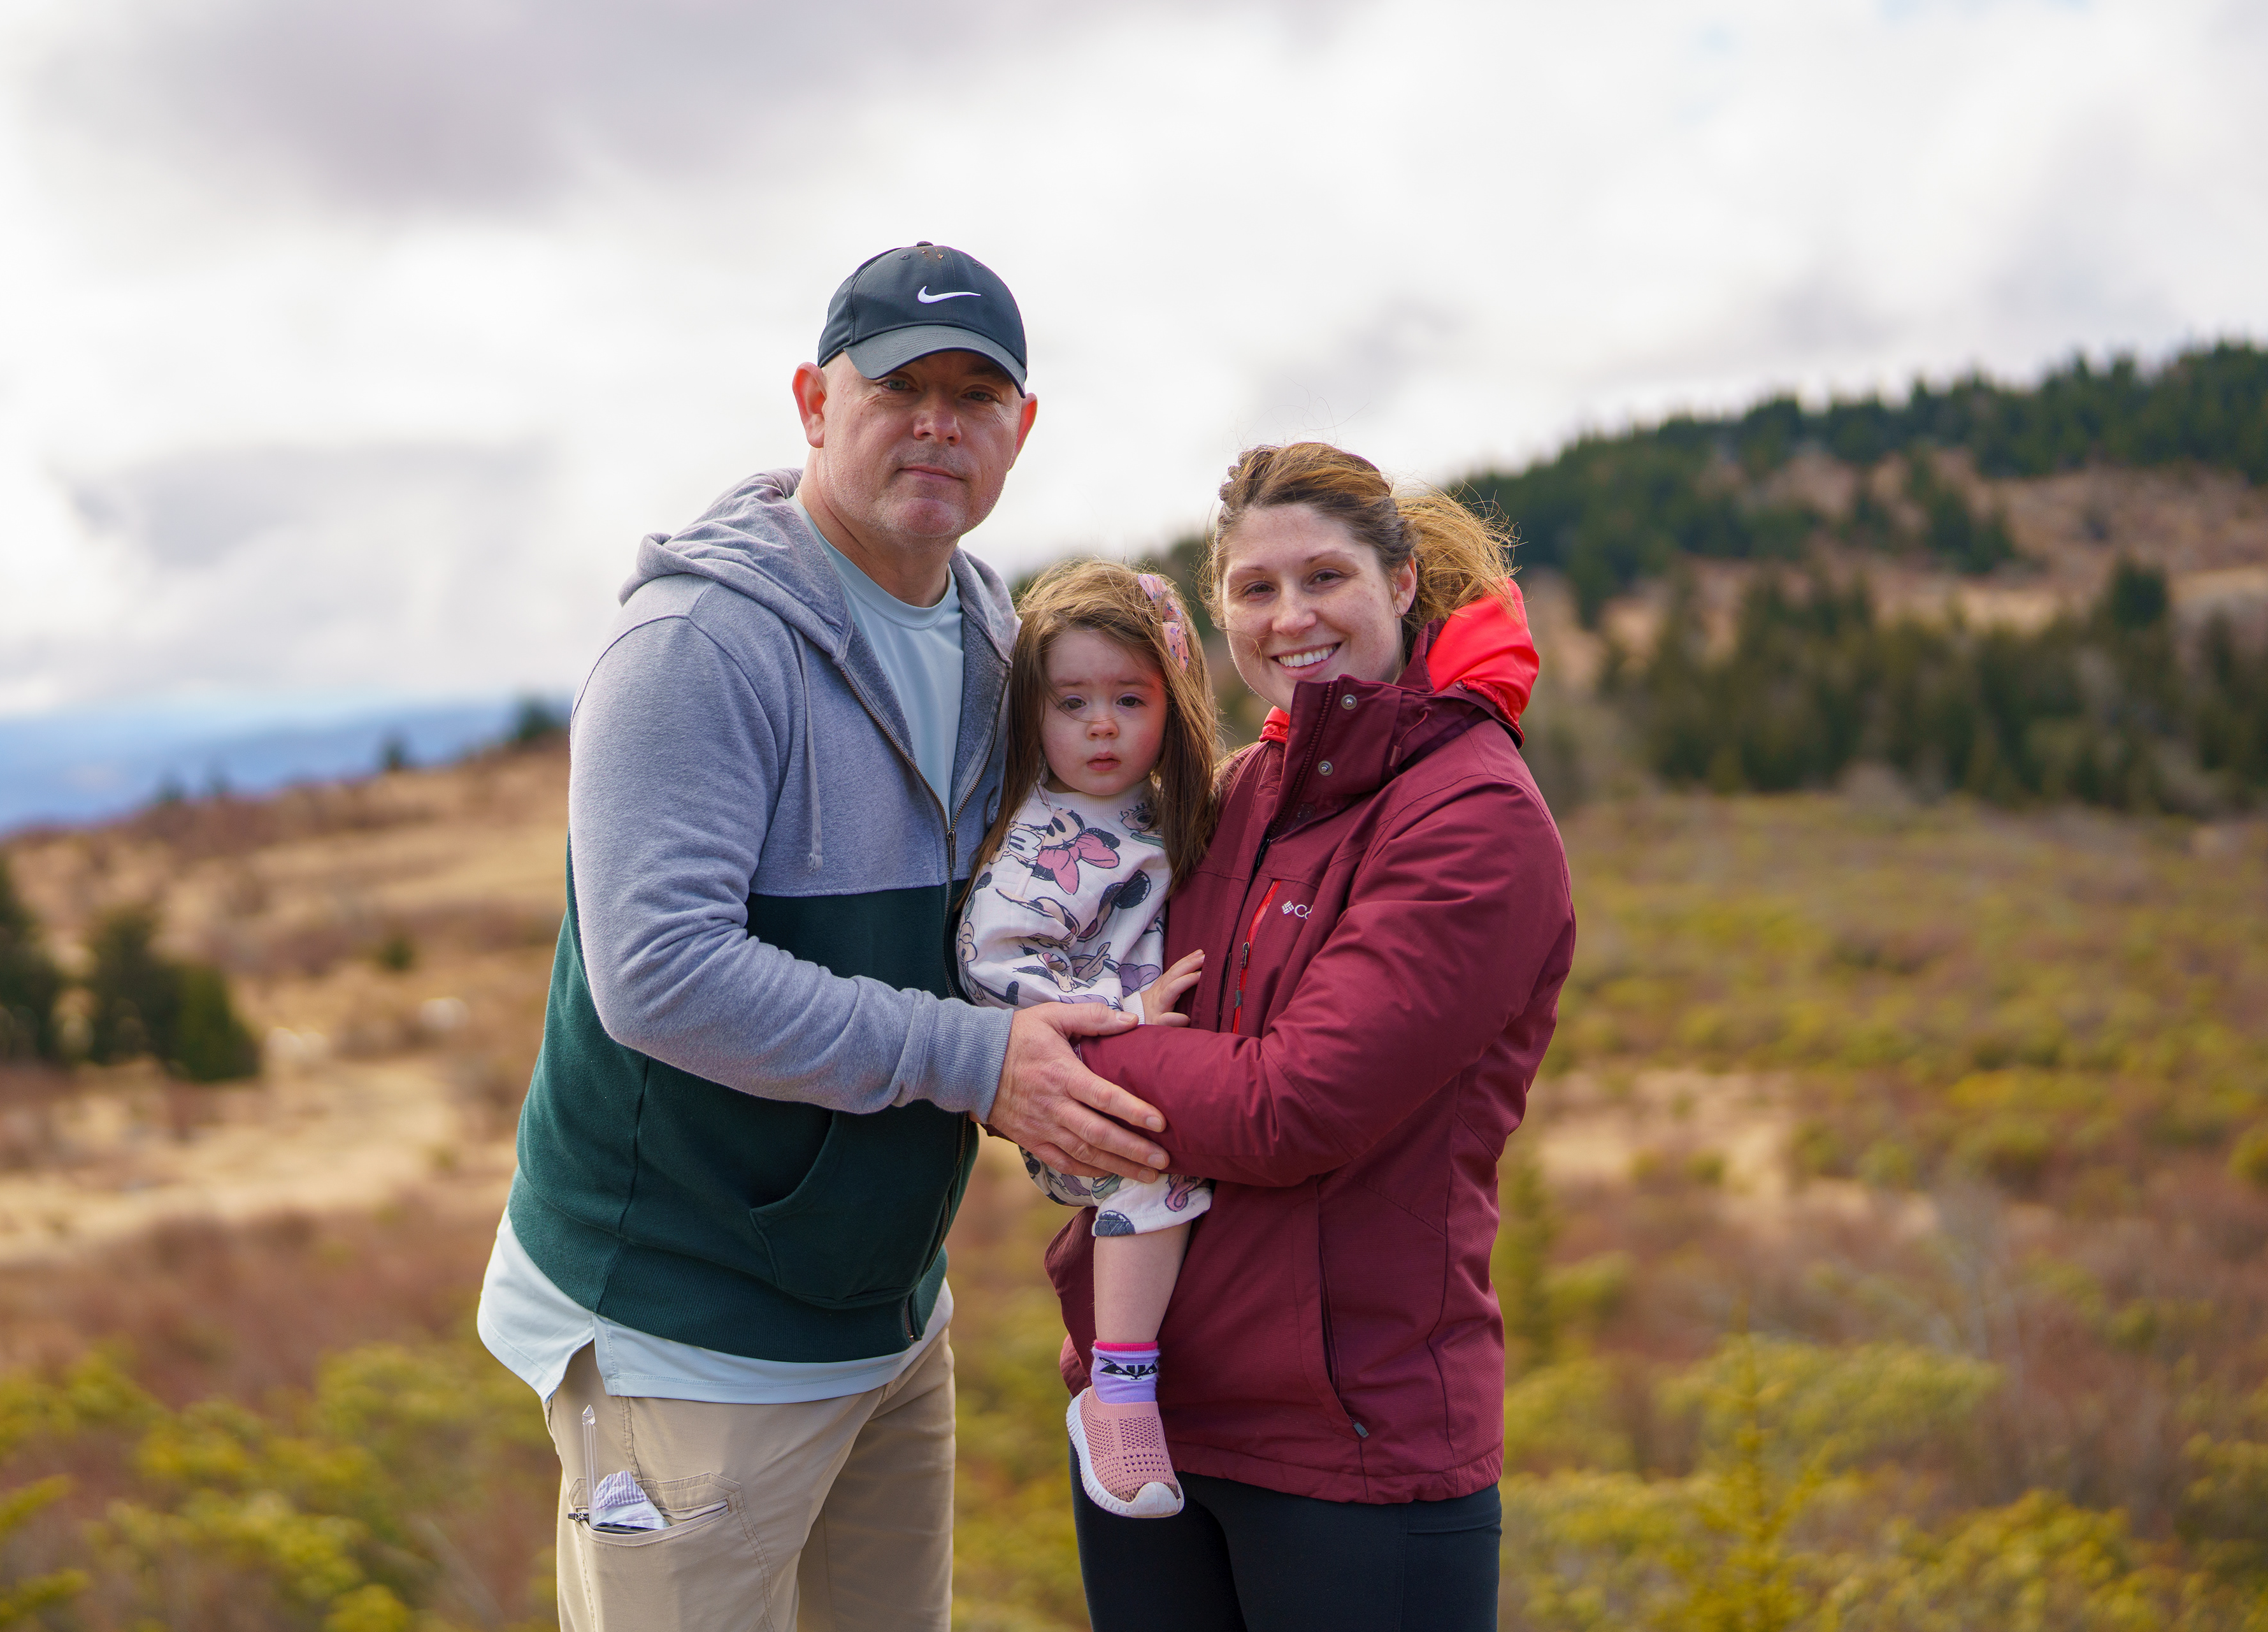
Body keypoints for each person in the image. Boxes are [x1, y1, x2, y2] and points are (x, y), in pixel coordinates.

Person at [475, 243, 1174, 1632]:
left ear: (1019, 432)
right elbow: (660, 976)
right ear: (811, 401)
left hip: (889, 1320)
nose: (938, 422)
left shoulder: (989, 634)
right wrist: (983, 1065)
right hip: (688, 1335)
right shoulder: (697, 647)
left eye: (977, 395)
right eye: (897, 385)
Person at [1052, 442, 1574, 1632]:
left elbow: (1296, 1107)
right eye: (1254, 588)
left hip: (1355, 1447)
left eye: (1325, 577)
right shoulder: (1245, 790)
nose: (1291, 617)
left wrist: (1052, 1055)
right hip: (1147, 1417)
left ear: (1401, 582)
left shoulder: (1472, 813)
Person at [954, 561, 1222, 1519]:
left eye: (1128, 698)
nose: (1101, 725)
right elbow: (996, 966)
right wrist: (1127, 1015)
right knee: (1152, 1169)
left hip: (1148, 1062)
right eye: (1073, 702)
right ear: (1034, 715)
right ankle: (1118, 1394)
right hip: (1071, 1087)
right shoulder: (1039, 841)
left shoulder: (1161, 803)